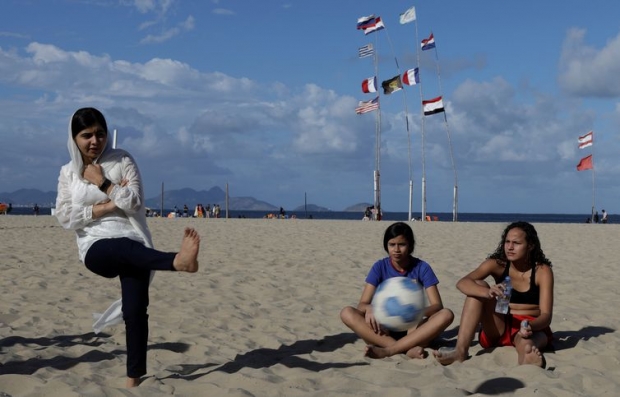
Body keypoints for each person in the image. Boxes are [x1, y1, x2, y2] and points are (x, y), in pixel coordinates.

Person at [55, 107, 201, 388]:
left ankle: (134, 378)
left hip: (134, 243)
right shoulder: (67, 173)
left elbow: (134, 203)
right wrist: (110, 204)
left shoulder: (122, 159)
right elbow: (65, 217)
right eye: (86, 135)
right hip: (95, 246)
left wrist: (102, 181)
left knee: (135, 310)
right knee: (120, 248)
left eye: (100, 133)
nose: (95, 140)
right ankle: (176, 261)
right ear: (74, 138)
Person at [433, 221, 553, 367]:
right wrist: (487, 291)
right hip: (498, 324)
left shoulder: (542, 271)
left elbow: (546, 316)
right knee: (478, 285)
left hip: (529, 325)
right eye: (507, 242)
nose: (510, 247)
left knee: (527, 343)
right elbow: (462, 283)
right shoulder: (498, 264)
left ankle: (526, 357)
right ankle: (460, 351)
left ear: (530, 245)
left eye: (516, 243)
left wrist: (530, 325)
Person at [340, 222, 454, 359]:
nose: (396, 250)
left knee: (446, 314)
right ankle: (405, 349)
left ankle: (390, 350)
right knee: (347, 312)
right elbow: (362, 304)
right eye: (392, 244)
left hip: (414, 329)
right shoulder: (380, 266)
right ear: (386, 246)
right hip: (382, 330)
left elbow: (437, 305)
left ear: (410, 245)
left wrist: (416, 312)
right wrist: (369, 308)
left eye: (402, 244)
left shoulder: (422, 267)